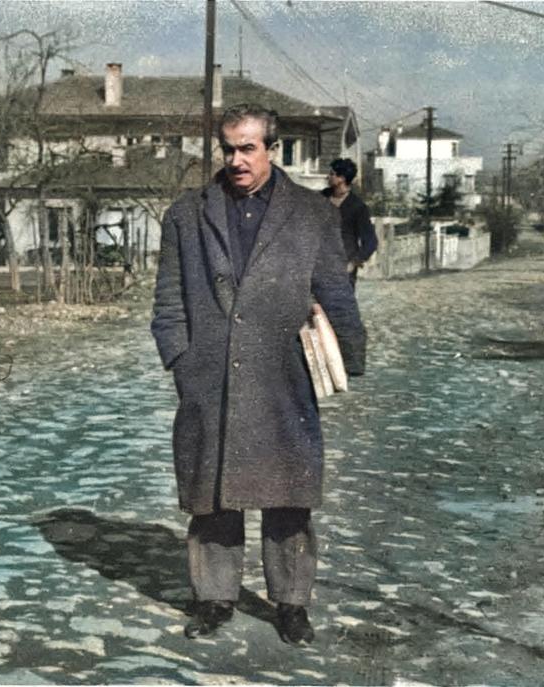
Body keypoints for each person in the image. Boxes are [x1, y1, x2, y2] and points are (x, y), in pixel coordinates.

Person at [151, 104, 366, 645]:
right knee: (212, 491)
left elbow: (335, 290)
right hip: (210, 375)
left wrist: (349, 358)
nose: (236, 160)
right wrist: (183, 361)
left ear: (271, 147)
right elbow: (169, 301)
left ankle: (291, 603)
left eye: (248, 148)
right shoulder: (186, 214)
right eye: (228, 149)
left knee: (289, 493)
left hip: (283, 374)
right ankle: (213, 598)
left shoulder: (311, 214)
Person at [322, 158, 378, 288]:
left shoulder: (357, 207)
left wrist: (354, 263)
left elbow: (371, 241)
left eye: (331, 174)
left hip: (343, 270)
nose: (327, 177)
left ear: (341, 178)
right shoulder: (321, 198)